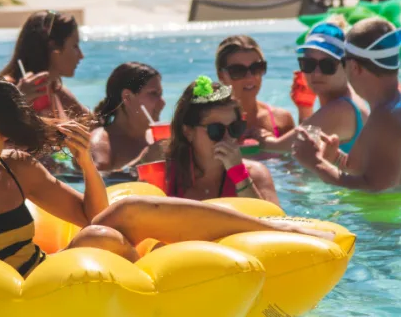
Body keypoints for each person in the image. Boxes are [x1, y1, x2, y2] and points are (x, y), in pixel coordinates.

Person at [0, 72, 323, 271]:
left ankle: (268, 228)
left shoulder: (17, 169)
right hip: (1, 300)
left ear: (6, 137)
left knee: (110, 228)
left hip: (45, 279)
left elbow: (89, 217)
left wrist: (87, 163)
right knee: (105, 236)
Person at [293, 18, 401, 190]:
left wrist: (315, 163)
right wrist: (335, 158)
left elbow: (374, 190)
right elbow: (371, 169)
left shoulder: (389, 117)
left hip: (387, 216)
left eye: (342, 63)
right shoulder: (395, 101)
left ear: (354, 67)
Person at [160, 77, 279, 205]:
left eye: (235, 128)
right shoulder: (164, 175)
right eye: (216, 130)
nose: (228, 138)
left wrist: (239, 175)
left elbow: (273, 222)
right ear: (188, 132)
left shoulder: (256, 174)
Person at [257, 23, 367, 154]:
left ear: (347, 66)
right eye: (309, 64)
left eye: (327, 65)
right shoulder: (346, 100)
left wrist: (260, 138)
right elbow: (309, 148)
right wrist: (305, 109)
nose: (316, 73)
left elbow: (284, 147)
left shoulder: (341, 109)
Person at [0, 10, 87, 118]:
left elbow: (96, 123)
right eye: (75, 46)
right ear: (54, 47)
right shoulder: (6, 88)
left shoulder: (56, 91)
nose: (81, 55)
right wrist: (18, 102)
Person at [216, 35, 294, 139]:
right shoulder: (212, 124)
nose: (250, 77)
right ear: (221, 76)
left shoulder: (281, 120)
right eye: (238, 71)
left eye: (256, 68)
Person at [90, 63, 165, 172]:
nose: (163, 103)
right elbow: (96, 181)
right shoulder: (100, 141)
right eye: (153, 94)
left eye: (161, 95)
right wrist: (143, 161)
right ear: (127, 97)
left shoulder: (156, 138)